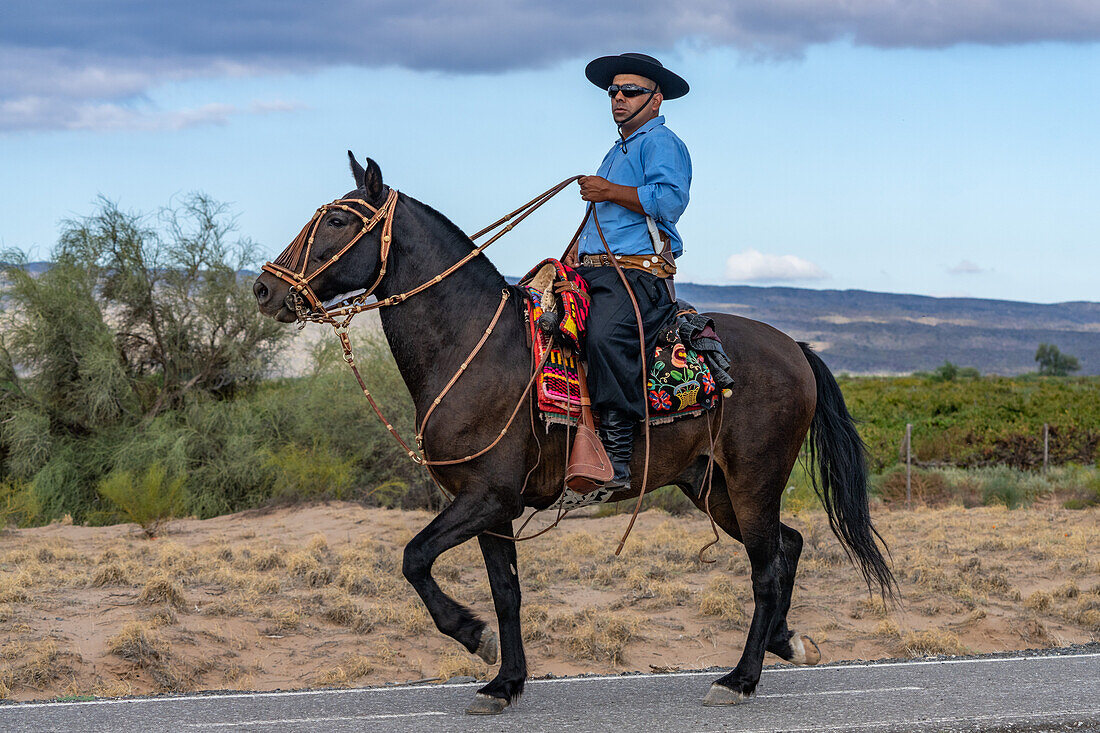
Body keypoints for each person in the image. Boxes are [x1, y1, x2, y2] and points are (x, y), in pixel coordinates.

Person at [570, 52, 692, 490]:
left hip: (638, 275)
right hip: (596, 271)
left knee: (605, 337)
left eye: (631, 91)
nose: (618, 98)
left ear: (656, 101)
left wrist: (609, 190)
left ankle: (617, 457)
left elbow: (670, 200)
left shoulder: (661, 143)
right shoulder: (617, 148)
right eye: (614, 91)